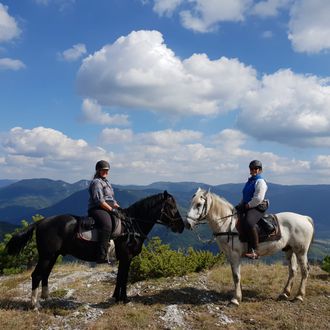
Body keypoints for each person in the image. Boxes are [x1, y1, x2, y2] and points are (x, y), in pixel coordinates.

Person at [88, 160, 120, 263]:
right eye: (103, 170)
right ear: (98, 170)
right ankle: (101, 255)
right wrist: (111, 209)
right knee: (107, 225)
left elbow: (111, 198)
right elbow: (99, 201)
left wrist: (117, 206)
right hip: (98, 209)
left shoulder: (106, 182)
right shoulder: (96, 182)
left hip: (108, 207)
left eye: (107, 170)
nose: (106, 172)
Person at [236, 160, 268, 260]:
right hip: (247, 205)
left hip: (257, 207)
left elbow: (258, 198)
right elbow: (245, 195)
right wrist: (240, 204)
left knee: (249, 223)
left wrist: (248, 205)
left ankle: (255, 251)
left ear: (260, 170)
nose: (253, 170)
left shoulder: (260, 182)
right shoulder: (250, 181)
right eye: (252, 168)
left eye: (256, 168)